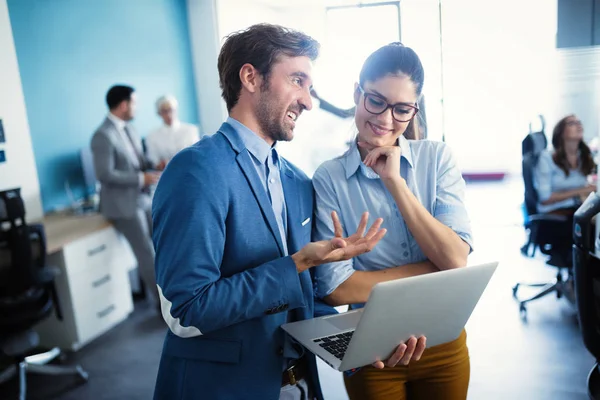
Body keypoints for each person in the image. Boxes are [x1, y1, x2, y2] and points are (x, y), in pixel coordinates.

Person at [150, 24, 412, 400]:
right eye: (297, 80)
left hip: (298, 386)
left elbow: (299, 297)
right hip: (222, 390)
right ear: (250, 77)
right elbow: (189, 307)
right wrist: (297, 264)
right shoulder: (196, 171)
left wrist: (364, 343)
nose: (308, 100)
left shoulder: (296, 181)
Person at [312, 43, 473, 400]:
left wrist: (395, 182)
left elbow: (456, 260)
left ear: (414, 110)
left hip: (443, 342)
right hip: (373, 351)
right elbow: (337, 288)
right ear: (357, 93)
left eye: (401, 109)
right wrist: (434, 271)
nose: (386, 120)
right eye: (375, 101)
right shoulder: (329, 178)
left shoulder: (437, 158)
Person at [90, 85, 161, 311]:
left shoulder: (130, 129)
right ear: (123, 105)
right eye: (134, 103)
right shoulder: (102, 135)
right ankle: (166, 309)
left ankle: (175, 297)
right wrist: (141, 178)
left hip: (144, 199)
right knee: (147, 254)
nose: (136, 108)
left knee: (162, 246)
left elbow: (138, 162)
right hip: (124, 205)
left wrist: (153, 166)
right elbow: (105, 174)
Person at [534, 114, 597, 217]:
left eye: (579, 123)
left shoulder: (582, 156)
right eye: (572, 123)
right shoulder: (546, 158)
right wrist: (582, 190)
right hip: (555, 212)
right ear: (561, 133)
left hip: (577, 207)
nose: (578, 125)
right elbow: (545, 199)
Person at [145, 95, 200, 170]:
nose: (169, 114)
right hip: (166, 173)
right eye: (164, 111)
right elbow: (152, 158)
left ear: (176, 110)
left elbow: (196, 154)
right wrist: (159, 164)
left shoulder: (191, 130)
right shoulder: (152, 136)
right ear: (159, 113)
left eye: (171, 110)